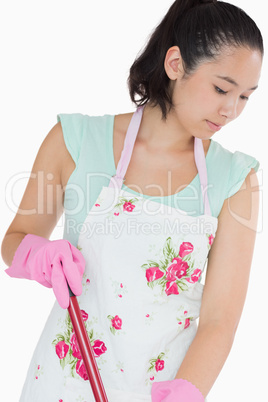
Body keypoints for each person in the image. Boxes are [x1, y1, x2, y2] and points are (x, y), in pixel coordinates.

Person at [1, 0, 264, 400]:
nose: (230, 110)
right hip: (63, 382)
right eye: (221, 88)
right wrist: (38, 254)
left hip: (163, 389)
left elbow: (219, 319)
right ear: (175, 64)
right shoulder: (74, 142)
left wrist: (187, 392)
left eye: (245, 97)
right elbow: (15, 239)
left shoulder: (235, 181)